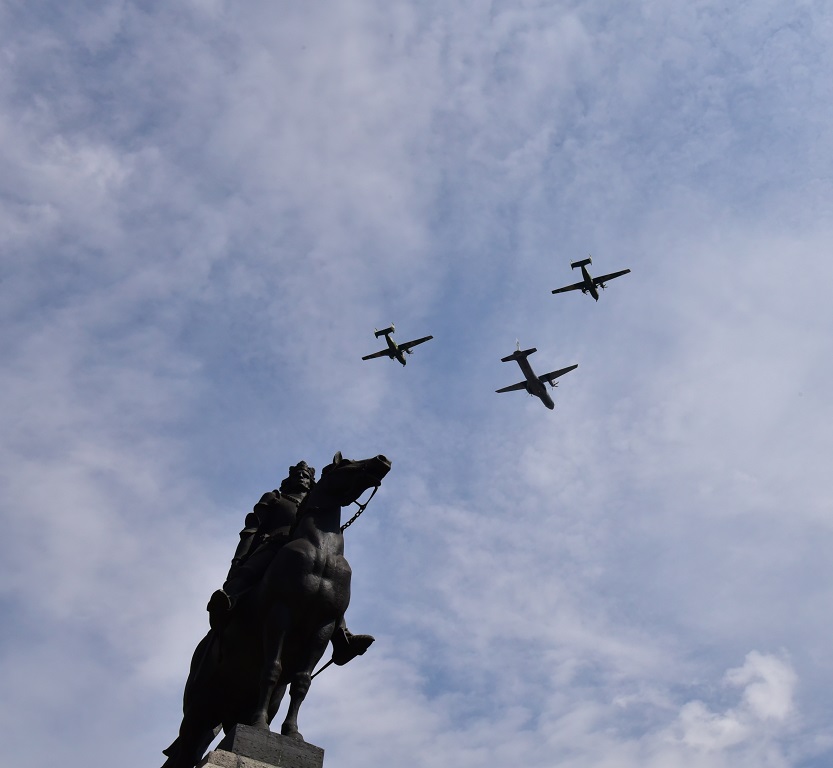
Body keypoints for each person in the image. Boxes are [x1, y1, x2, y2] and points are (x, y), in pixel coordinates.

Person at [207, 460, 372, 665]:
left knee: (332, 581)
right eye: (298, 475)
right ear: (289, 479)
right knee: (256, 566)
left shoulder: (317, 503)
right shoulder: (276, 498)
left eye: (307, 476)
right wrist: (239, 559)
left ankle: (341, 636)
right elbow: (251, 529)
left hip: (310, 552)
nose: (302, 478)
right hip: (274, 545)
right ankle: (229, 599)